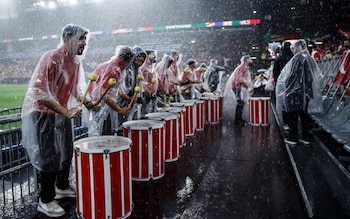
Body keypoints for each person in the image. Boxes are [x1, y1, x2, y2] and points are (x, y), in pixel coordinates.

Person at [21, 24, 93, 217]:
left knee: (66, 152)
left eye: (85, 39)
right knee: (49, 158)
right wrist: (65, 111)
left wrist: (89, 102)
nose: (84, 43)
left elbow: (77, 90)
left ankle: (61, 187)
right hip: (44, 115)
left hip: (62, 115)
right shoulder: (50, 57)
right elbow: (39, 92)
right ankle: (45, 200)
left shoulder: (76, 63)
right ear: (67, 38)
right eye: (80, 38)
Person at [276, 39, 323, 145]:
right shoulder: (310, 58)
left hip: (295, 93)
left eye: (294, 48)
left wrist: (287, 90)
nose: (293, 50)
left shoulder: (297, 59)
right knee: (304, 114)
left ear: (298, 47)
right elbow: (316, 75)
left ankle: (293, 137)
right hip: (307, 92)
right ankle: (306, 136)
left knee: (292, 114)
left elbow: (292, 76)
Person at [88, 45, 135, 136]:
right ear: (127, 60)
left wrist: (128, 98)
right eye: (131, 61)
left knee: (107, 132)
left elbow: (117, 88)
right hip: (101, 107)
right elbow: (104, 94)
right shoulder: (114, 70)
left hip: (107, 106)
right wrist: (120, 109)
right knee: (103, 134)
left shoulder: (119, 68)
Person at [116, 46, 146, 130]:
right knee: (121, 126)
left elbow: (139, 85)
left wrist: (138, 97)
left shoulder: (137, 70)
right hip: (122, 102)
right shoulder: (125, 68)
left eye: (143, 57)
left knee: (130, 125)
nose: (141, 59)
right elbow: (121, 88)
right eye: (139, 56)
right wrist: (129, 97)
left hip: (131, 101)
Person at [224, 55, 253, 125]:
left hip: (239, 86)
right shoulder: (242, 67)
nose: (251, 61)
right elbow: (240, 79)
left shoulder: (244, 67)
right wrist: (247, 87)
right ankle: (237, 120)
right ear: (246, 60)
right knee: (240, 102)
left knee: (241, 102)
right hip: (237, 86)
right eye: (250, 59)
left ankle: (239, 119)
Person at [272, 41, 293, 130]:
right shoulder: (293, 58)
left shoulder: (279, 58)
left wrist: (278, 81)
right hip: (292, 84)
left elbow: (275, 71)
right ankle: (292, 123)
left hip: (282, 84)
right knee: (291, 104)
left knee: (284, 104)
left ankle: (286, 123)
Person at [139, 49, 158, 116]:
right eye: (152, 54)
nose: (154, 56)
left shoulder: (151, 67)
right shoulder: (143, 67)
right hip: (146, 95)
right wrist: (147, 90)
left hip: (151, 95)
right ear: (147, 56)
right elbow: (140, 81)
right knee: (145, 115)